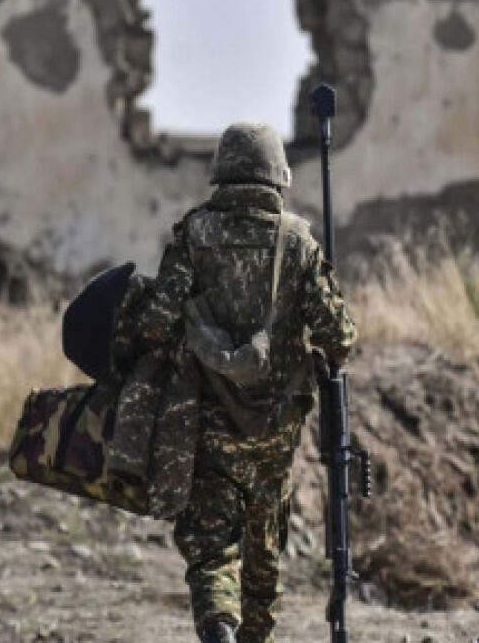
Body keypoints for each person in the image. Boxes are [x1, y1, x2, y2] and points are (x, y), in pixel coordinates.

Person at [132, 122, 357, 643]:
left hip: (207, 427)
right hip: (274, 434)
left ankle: (219, 630)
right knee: (263, 555)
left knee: (212, 551)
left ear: (222, 174)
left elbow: (156, 323)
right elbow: (338, 336)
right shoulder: (298, 242)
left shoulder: (194, 234)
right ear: (278, 176)